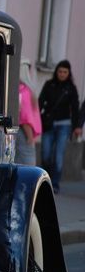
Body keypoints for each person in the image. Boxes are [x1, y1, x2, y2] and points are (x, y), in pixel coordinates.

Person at [39, 60, 81, 194]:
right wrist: (38, 120)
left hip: (64, 124)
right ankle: (46, 180)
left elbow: (75, 109)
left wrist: (77, 126)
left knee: (58, 156)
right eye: (60, 71)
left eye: (65, 72)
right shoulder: (49, 85)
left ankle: (54, 184)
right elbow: (40, 102)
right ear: (56, 72)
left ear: (69, 74)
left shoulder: (71, 88)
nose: (62, 74)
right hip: (48, 124)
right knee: (45, 154)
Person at [15, 61, 42, 165]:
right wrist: (30, 136)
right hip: (25, 132)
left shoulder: (18, 90)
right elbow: (25, 117)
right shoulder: (25, 91)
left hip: (21, 130)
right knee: (28, 162)